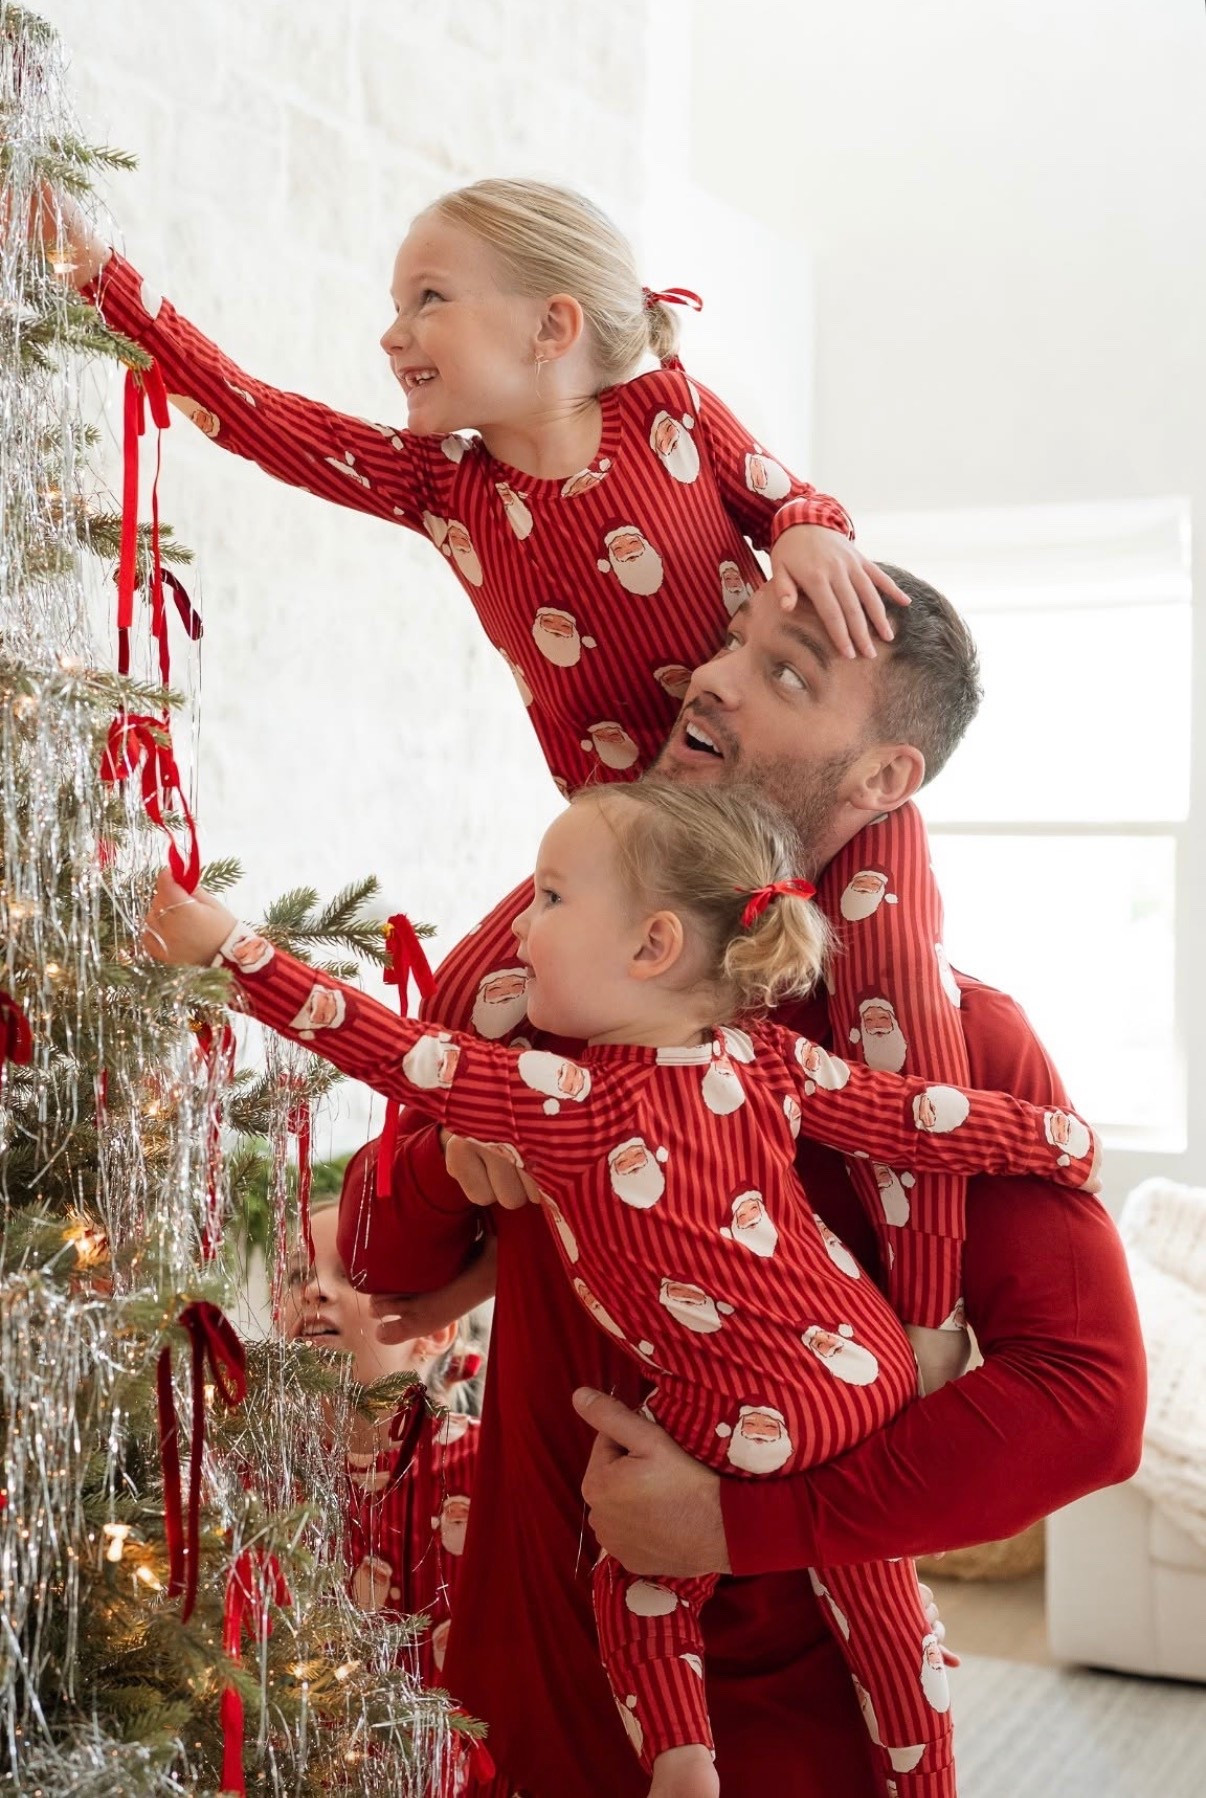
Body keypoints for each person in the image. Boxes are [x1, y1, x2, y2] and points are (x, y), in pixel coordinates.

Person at [40, 175, 976, 1355]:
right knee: (464, 1006)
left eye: (427, 299)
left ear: (553, 326)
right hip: (649, 846)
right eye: (396, 305)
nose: (391, 334)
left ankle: (930, 1318)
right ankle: (455, 1287)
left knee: (898, 1005)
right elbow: (256, 415)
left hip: (796, 804)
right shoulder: (449, 493)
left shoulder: (671, 415)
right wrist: (100, 276)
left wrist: (812, 524)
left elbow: (794, 503)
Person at [325, 571, 1144, 1798]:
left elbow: (1089, 1402)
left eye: (790, 672)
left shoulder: (961, 1044)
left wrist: (736, 1525)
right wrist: (447, 1158)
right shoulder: (562, 983)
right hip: (514, 1685)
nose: (712, 679)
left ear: (881, 783)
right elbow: (385, 1267)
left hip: (771, 1731)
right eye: (729, 641)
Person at [144, 776, 1099, 1798]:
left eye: (550, 899)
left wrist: (225, 944)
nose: (521, 926)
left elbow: (382, 1043)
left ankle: (682, 1762)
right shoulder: (766, 1057)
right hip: (868, 1372)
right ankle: (926, 1768)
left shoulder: (573, 1104)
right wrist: (1055, 1140)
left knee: (631, 1575)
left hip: (750, 1410)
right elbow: (916, 1117)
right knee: (883, 1607)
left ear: (650, 948)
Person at [284, 1193, 502, 1796]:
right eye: (297, 1276)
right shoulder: (257, 1488)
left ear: (434, 1329)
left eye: (354, 1274)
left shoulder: (495, 1471)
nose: (316, 1292)